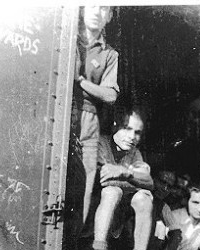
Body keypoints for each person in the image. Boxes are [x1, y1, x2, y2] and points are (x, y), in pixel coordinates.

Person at [87, 109, 167, 250]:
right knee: (112, 191)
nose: (132, 136)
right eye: (127, 129)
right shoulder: (101, 143)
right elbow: (104, 180)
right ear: (115, 126)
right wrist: (133, 179)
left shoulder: (134, 153)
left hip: (119, 220)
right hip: (91, 222)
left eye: (137, 132)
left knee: (144, 197)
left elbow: (148, 181)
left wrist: (125, 172)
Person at [76, 5, 119, 228]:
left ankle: (72, 249)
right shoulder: (68, 40)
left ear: (110, 16)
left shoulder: (110, 54)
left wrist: (81, 81)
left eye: (103, 8)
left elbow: (110, 95)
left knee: (84, 184)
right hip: (68, 114)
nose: (96, 11)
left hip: (89, 120)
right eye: (91, 5)